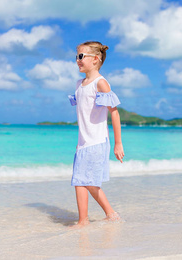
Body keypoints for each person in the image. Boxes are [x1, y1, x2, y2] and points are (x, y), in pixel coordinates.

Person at [68, 41, 124, 227]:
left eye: (81, 56)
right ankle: (100, 216)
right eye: (77, 56)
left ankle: (93, 218)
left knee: (86, 182)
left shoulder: (101, 83)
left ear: (95, 59)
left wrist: (118, 144)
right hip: (83, 142)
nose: (78, 60)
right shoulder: (79, 84)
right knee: (82, 181)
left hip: (97, 141)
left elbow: (114, 113)